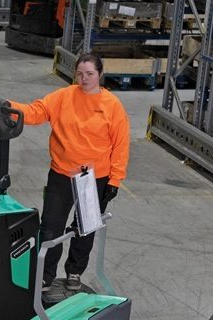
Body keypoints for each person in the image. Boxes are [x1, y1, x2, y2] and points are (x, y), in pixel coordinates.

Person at [7, 53, 131, 297]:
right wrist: (8, 107)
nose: (84, 79)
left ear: (100, 74)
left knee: (84, 228)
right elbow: (35, 112)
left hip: (95, 179)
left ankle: (74, 272)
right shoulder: (63, 97)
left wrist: (115, 180)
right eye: (80, 73)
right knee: (51, 227)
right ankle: (46, 274)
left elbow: (121, 145)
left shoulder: (112, 106)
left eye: (90, 74)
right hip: (62, 174)